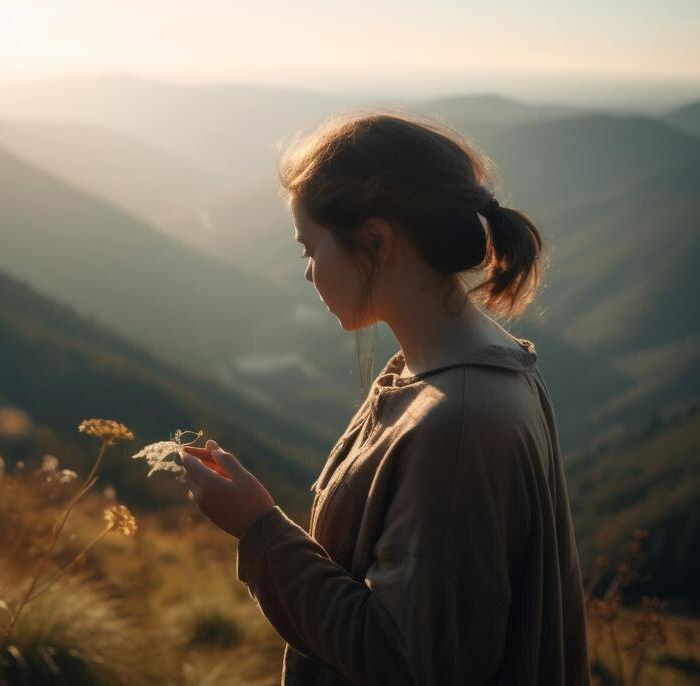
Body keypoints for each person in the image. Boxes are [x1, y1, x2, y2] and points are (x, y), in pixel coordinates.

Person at [182, 112, 591, 685]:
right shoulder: (453, 368)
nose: (307, 271)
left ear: (375, 241)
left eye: (309, 247)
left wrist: (258, 530)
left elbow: (402, 663)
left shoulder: (459, 422)